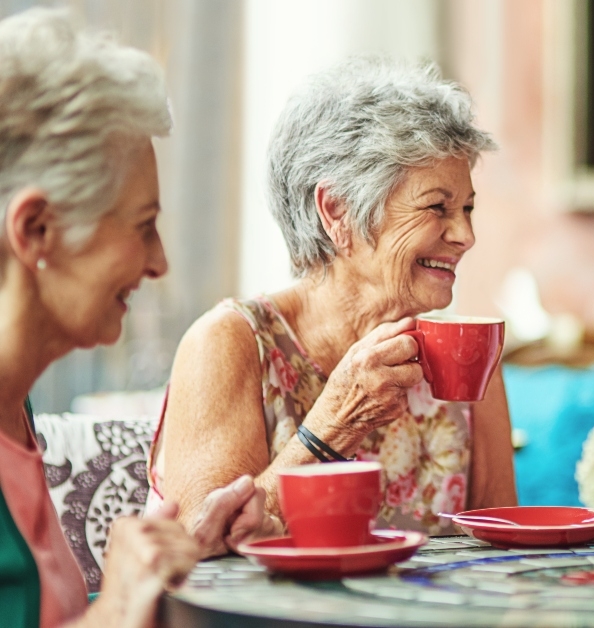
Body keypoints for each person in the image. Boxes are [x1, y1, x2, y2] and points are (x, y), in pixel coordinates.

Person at [150, 57, 517, 539]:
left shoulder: (465, 352)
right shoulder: (230, 343)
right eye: (437, 207)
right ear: (337, 210)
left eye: (467, 208)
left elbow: (502, 544)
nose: (466, 235)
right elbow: (198, 546)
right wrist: (335, 425)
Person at [0, 8, 263, 626]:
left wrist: (167, 561)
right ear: (35, 229)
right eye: (143, 227)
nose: (160, 262)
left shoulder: (16, 412)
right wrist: (115, 608)